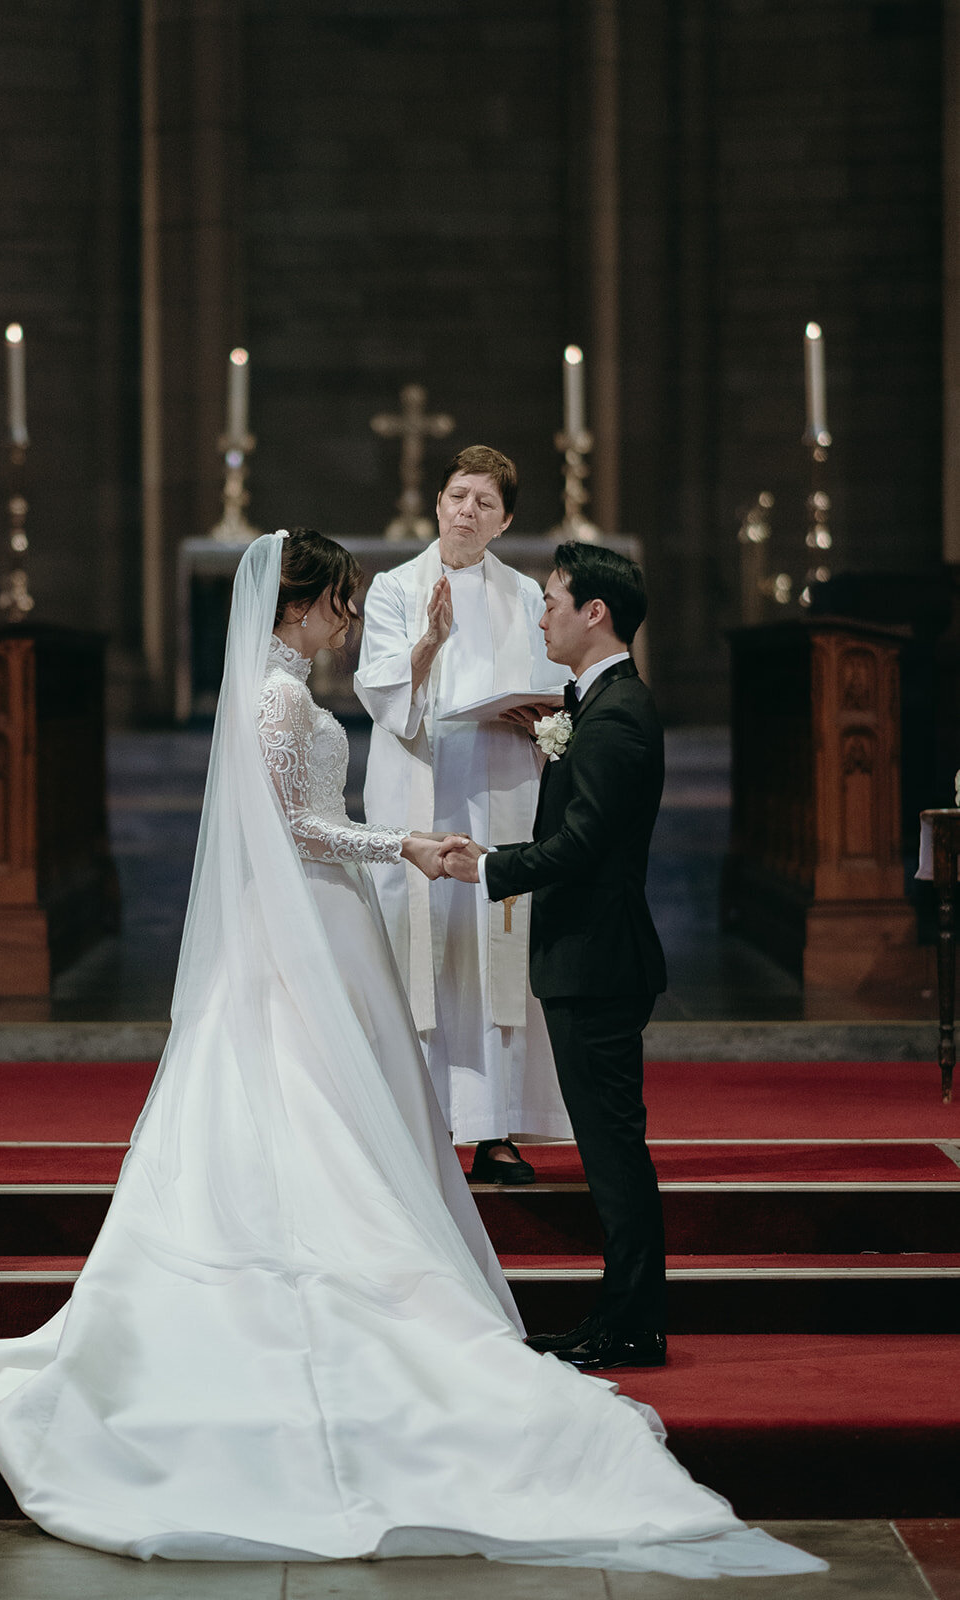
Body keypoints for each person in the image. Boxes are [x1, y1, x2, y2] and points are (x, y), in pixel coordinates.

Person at [0, 532, 825, 1580]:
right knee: (300, 1100)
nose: (348, 620)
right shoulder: (274, 701)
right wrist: (398, 844)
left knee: (339, 1103)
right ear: (297, 605)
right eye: (340, 604)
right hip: (304, 921)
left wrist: (415, 844)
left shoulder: (286, 693)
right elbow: (298, 826)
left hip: (331, 919)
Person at [441, 542, 670, 1372]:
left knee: (612, 1151)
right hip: (587, 957)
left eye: (552, 600)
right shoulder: (596, 706)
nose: (542, 615)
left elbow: (581, 846)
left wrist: (489, 867)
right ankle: (622, 1315)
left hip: (599, 960)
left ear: (594, 613)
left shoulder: (616, 716)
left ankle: (634, 1323)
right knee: (610, 1148)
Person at [355, 445, 570, 1183]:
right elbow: (383, 699)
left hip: (499, 796)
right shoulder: (393, 588)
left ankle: (493, 1128)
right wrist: (430, 643)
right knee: (418, 949)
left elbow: (553, 697)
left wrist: (537, 719)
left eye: (484, 502)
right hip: (420, 790)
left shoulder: (525, 595)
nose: (466, 512)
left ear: (505, 519)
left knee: (491, 955)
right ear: (437, 503)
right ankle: (414, 1130)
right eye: (457, 496)